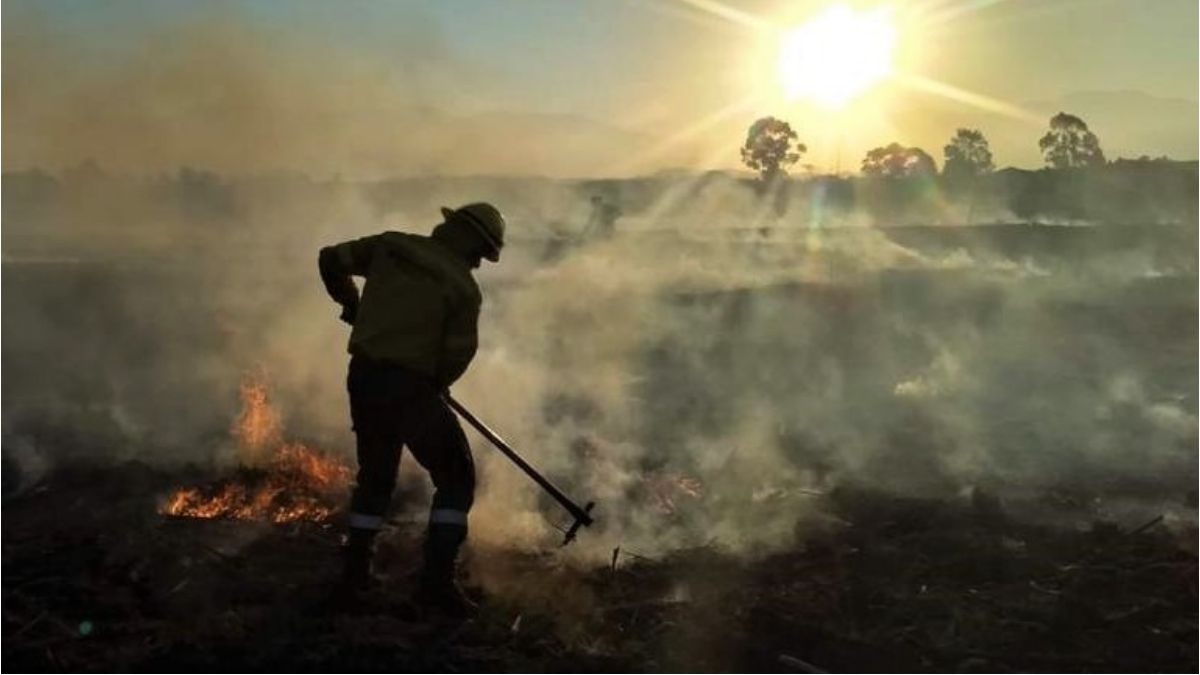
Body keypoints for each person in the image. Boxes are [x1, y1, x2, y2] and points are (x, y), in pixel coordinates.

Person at [318, 202, 506, 615]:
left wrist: (352, 305)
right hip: (412, 390)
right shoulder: (462, 288)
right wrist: (434, 384)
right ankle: (435, 586)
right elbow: (457, 354)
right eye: (481, 253)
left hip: (364, 378)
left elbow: (331, 259)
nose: (478, 263)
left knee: (376, 477)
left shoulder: (392, 246)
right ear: (471, 242)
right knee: (456, 478)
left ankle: (354, 580)